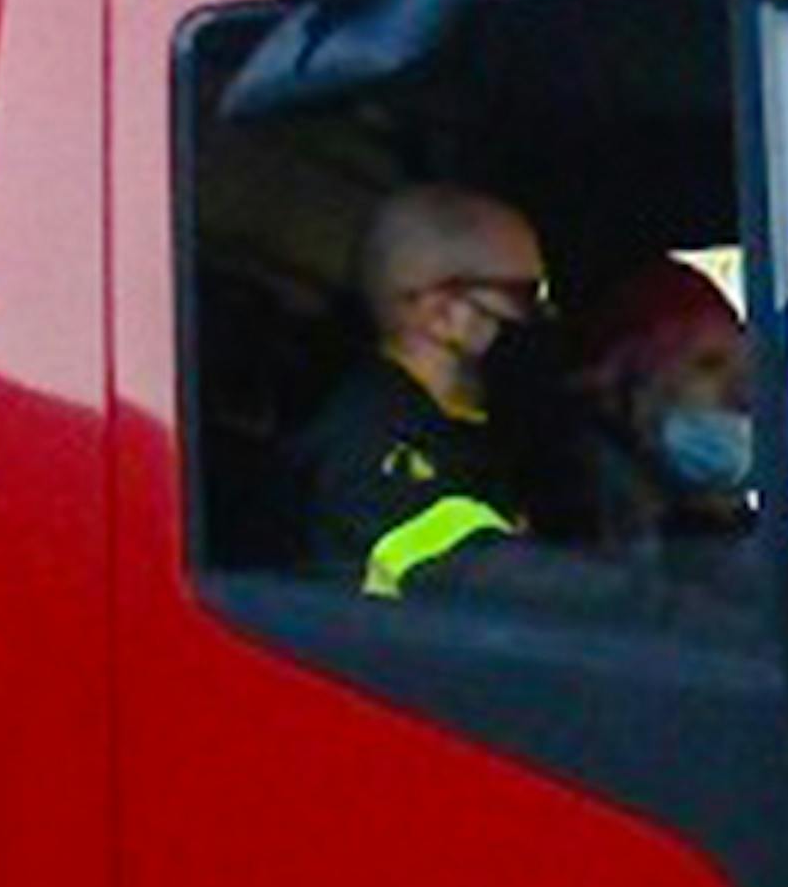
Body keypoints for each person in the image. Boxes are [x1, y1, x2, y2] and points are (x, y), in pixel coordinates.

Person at [289, 183, 562, 600]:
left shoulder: (470, 432)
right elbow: (487, 585)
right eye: (524, 296)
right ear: (442, 312)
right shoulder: (369, 454)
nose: (542, 316)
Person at [560, 255, 762, 562]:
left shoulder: (762, 546)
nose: (745, 396)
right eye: (708, 366)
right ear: (619, 391)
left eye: (749, 369)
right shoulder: (579, 551)